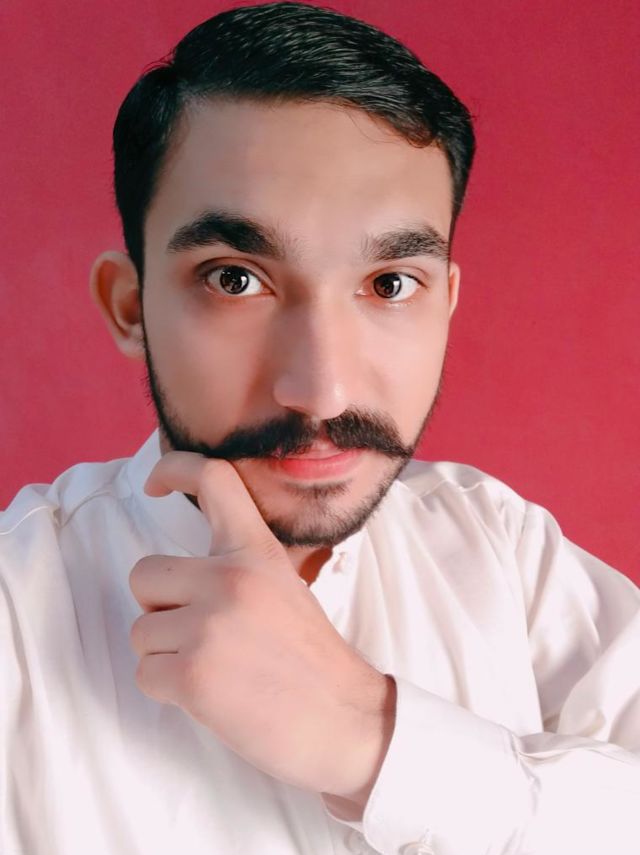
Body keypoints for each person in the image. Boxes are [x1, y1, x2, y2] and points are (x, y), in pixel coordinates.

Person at [1, 2, 638, 853]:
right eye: (235, 278)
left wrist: (369, 740)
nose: (322, 391)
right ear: (131, 306)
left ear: (446, 302)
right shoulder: (15, 612)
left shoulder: (505, 552)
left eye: (390, 284)